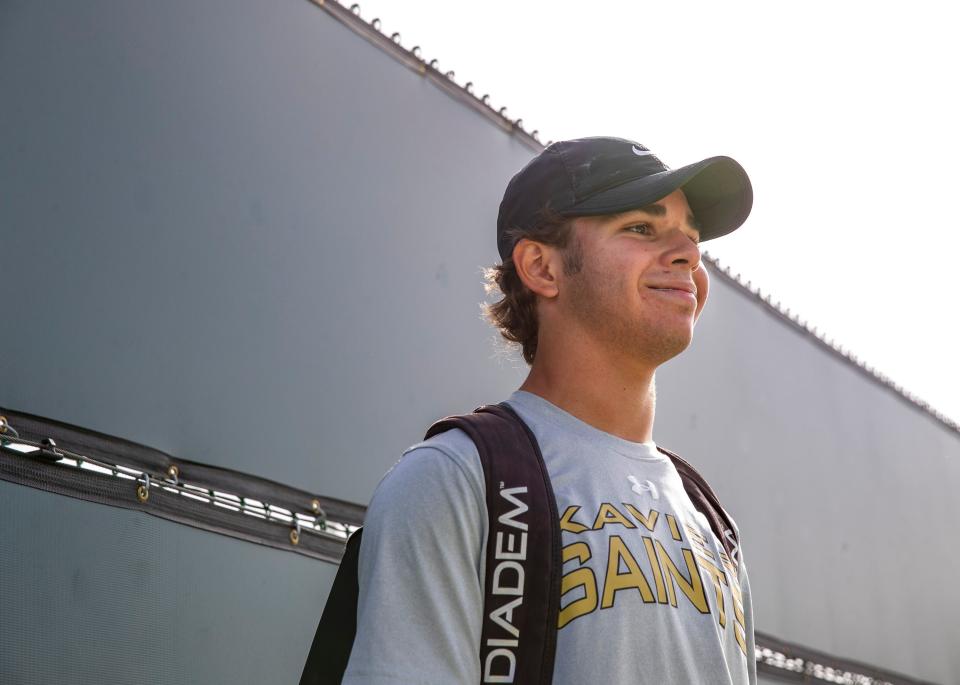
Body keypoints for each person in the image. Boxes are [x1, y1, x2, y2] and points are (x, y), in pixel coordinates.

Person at [341, 136, 756, 684]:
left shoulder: (711, 520)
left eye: (693, 237)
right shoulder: (454, 481)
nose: (689, 254)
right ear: (541, 267)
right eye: (641, 228)